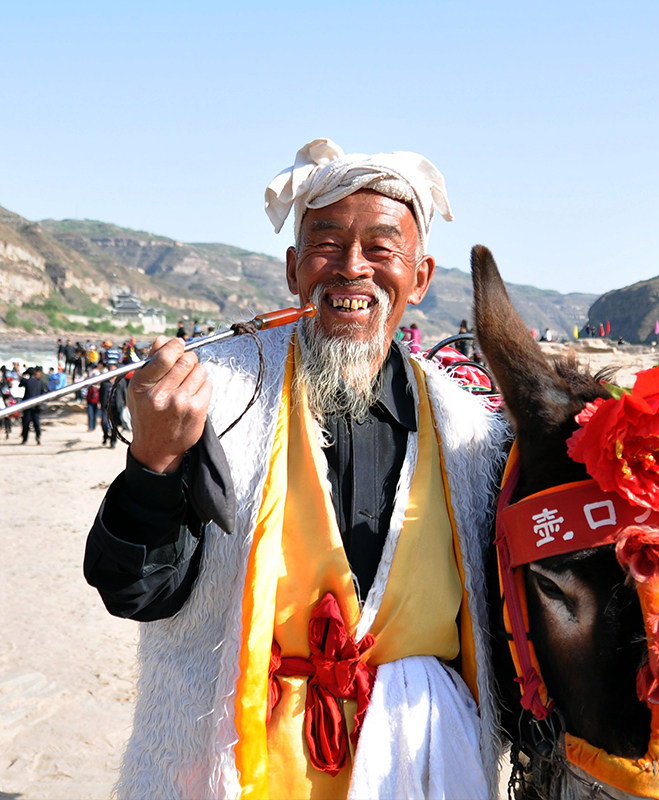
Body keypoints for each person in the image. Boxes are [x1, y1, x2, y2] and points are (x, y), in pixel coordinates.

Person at [84, 138, 508, 799]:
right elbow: (134, 592)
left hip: (423, 761)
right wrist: (154, 462)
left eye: (381, 248)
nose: (352, 268)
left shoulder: (472, 435)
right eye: (327, 243)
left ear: (419, 278)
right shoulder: (218, 399)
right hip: (240, 757)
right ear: (292, 269)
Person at [19, 366, 46, 444]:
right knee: (34, 423)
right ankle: (36, 437)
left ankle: (27, 439)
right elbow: (44, 392)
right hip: (35, 406)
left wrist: (22, 374)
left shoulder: (29, 381)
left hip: (30, 406)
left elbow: (20, 383)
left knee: (28, 423)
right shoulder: (38, 381)